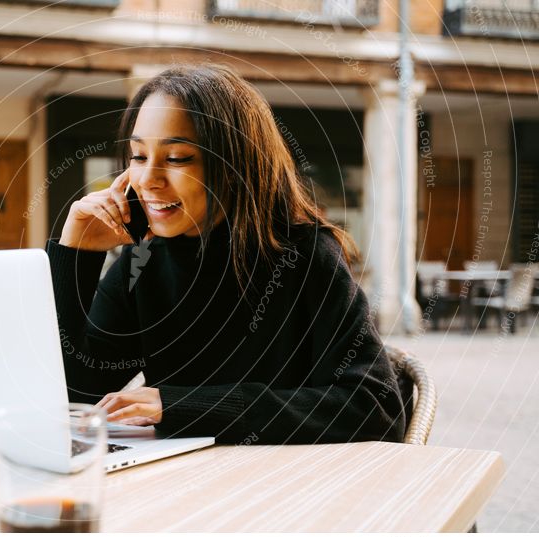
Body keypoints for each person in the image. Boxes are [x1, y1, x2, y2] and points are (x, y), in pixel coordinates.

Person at [44, 63, 407, 444]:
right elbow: (74, 395)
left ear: (234, 165)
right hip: (181, 483)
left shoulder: (304, 254)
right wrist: (76, 252)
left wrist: (180, 406)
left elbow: (375, 409)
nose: (147, 179)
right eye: (137, 155)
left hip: (285, 487)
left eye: (177, 157)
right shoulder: (142, 262)